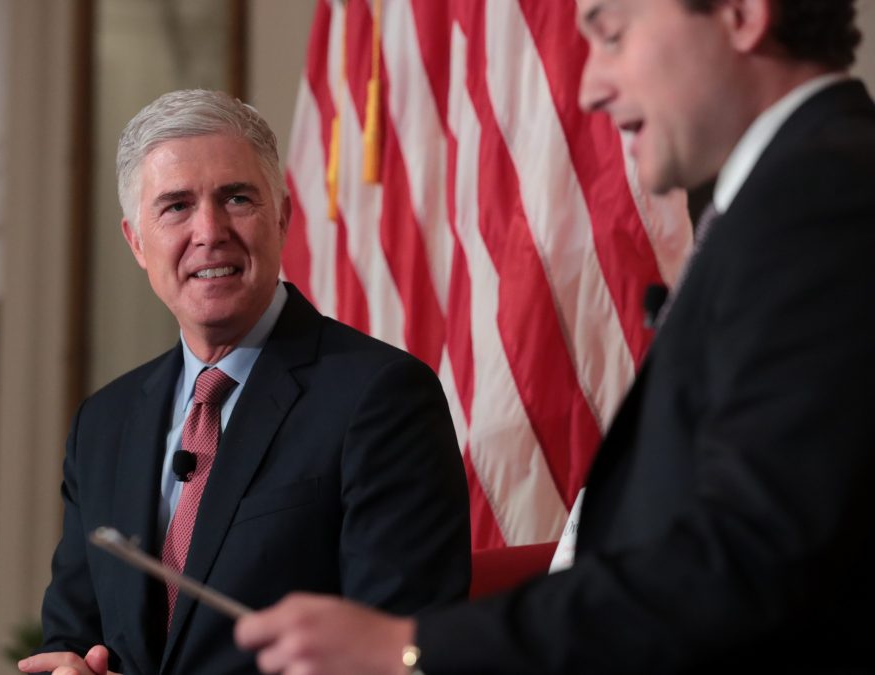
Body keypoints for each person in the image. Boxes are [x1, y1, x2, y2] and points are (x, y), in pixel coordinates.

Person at [234, 0, 875, 672]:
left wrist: (408, 645)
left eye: (614, 37)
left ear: (742, 14)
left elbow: (749, 556)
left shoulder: (821, 198)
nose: (592, 86)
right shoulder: (788, 194)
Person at [18, 90, 471, 675]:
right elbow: (72, 639)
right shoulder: (102, 425)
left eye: (236, 198)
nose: (209, 231)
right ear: (136, 241)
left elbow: (402, 649)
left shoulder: (381, 397)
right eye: (176, 206)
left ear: (281, 217)